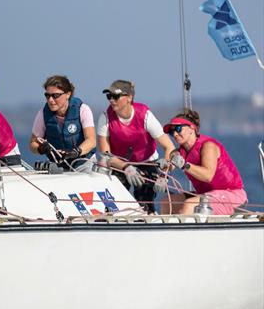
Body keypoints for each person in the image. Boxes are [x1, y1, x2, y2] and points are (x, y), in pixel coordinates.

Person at [96, 80, 175, 213]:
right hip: (120, 165)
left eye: (115, 96)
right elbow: (105, 155)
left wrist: (163, 175)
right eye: (109, 96)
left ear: (129, 97)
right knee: (114, 202)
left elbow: (169, 147)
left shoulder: (145, 115)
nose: (111, 100)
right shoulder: (105, 118)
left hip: (147, 162)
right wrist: (127, 168)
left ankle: (148, 216)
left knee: (144, 201)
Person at [160, 109, 246, 215]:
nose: (175, 134)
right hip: (207, 195)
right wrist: (162, 174)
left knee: (190, 204)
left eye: (178, 129)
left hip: (233, 195)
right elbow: (169, 167)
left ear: (192, 128)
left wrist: (184, 165)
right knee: (166, 202)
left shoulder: (208, 146)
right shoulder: (177, 153)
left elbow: (208, 176)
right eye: (171, 132)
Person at [30, 75, 96, 170]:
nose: (50, 100)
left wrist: (75, 152)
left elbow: (91, 141)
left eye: (55, 95)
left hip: (83, 164)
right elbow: (32, 144)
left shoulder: (83, 109)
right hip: (58, 166)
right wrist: (41, 149)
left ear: (68, 94)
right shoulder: (42, 114)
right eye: (47, 95)